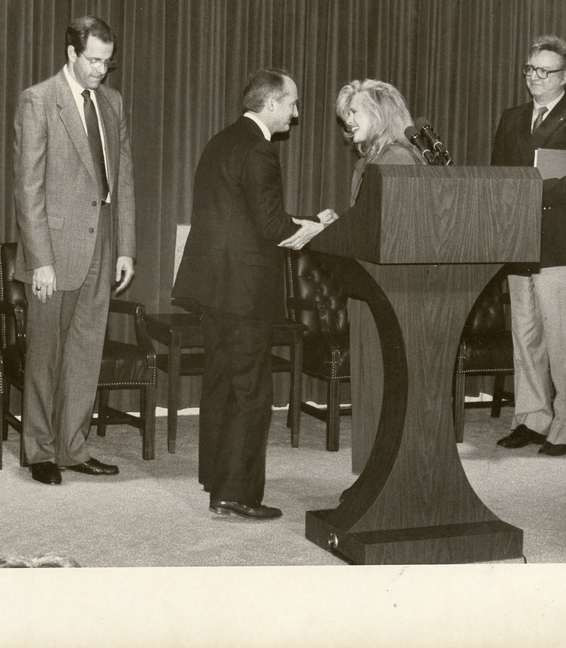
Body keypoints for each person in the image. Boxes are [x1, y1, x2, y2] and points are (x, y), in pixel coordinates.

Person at [173, 68, 335, 520]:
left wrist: (303, 221)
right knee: (251, 393)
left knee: (221, 384)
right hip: (243, 291)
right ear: (271, 103)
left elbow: (247, 217)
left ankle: (216, 479)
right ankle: (236, 495)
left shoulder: (221, 141)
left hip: (211, 286)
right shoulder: (260, 149)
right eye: (293, 104)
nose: (296, 114)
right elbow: (270, 225)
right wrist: (315, 228)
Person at [13, 16, 136, 485]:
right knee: (45, 355)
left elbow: (123, 178)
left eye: (107, 62)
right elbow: (28, 189)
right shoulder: (39, 100)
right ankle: (40, 451)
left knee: (85, 352)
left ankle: (73, 447)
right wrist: (40, 260)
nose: (100, 70)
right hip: (55, 247)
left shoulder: (113, 103)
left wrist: (125, 247)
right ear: (71, 53)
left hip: (102, 243)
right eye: (93, 60)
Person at [492, 35, 566, 457]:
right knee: (525, 337)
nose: (534, 77)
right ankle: (532, 419)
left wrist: (530, 189)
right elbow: (499, 176)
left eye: (544, 70)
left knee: (564, 342)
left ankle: (563, 426)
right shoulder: (512, 117)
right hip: (520, 241)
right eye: (530, 69)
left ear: (565, 76)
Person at [334, 79, 426, 474]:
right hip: (369, 282)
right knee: (370, 382)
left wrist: (344, 228)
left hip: (389, 287)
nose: (348, 121)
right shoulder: (373, 159)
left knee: (382, 381)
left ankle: (384, 477)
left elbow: (396, 232)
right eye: (346, 114)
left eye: (354, 112)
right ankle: (370, 478)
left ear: (380, 112)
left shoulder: (398, 160)